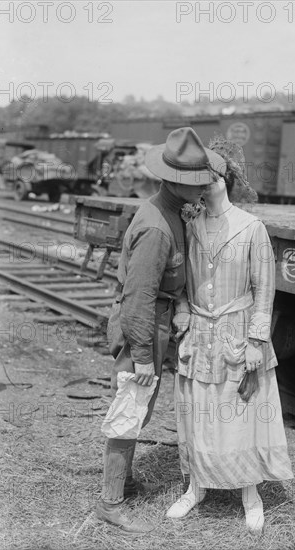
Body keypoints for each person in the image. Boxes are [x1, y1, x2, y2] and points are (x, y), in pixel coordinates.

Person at [95, 127, 226, 535]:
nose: (205, 188)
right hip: (144, 324)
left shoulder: (171, 211)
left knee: (139, 408)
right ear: (177, 182)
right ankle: (110, 502)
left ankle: (125, 481)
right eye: (198, 182)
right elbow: (137, 298)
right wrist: (141, 355)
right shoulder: (156, 227)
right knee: (130, 408)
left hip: (157, 322)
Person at [166, 135, 293, 533]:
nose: (208, 184)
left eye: (214, 176)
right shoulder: (191, 226)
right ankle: (196, 487)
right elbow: (182, 281)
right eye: (203, 178)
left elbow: (264, 290)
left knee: (242, 412)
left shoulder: (252, 227)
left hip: (238, 334)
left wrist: (257, 342)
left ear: (227, 179)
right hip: (200, 333)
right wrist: (184, 310)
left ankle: (250, 494)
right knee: (199, 411)